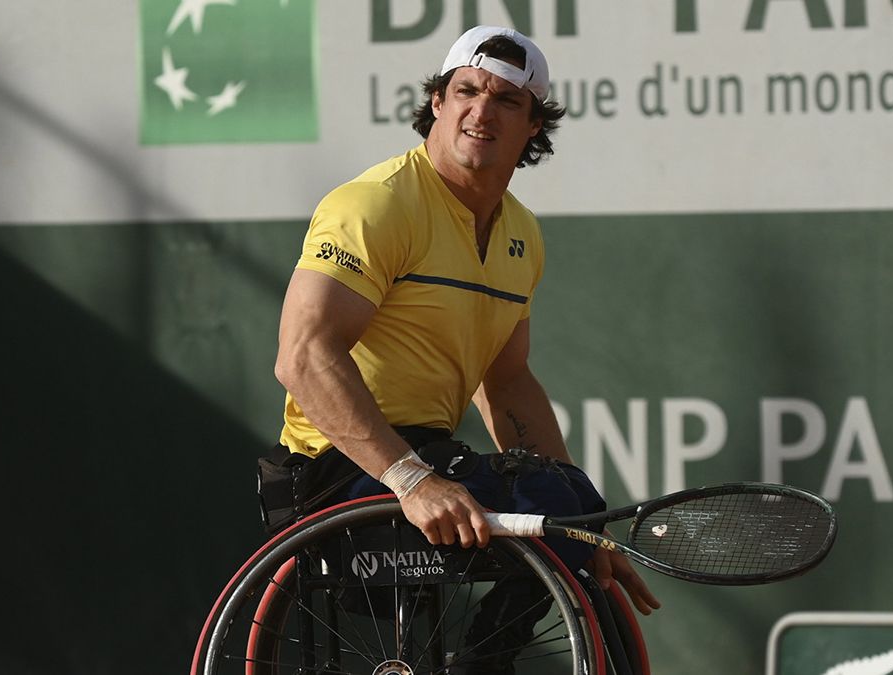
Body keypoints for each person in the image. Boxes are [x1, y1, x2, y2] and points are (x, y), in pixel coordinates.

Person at [270, 25, 660, 671]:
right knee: (567, 508)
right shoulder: (375, 205)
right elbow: (304, 356)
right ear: (438, 104)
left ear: (534, 125)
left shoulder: (521, 234)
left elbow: (506, 383)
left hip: (430, 457)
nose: (482, 111)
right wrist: (411, 479)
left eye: (507, 100)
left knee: (575, 507)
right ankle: (483, 664)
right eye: (466, 91)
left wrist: (581, 528)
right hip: (343, 468)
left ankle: (483, 654)